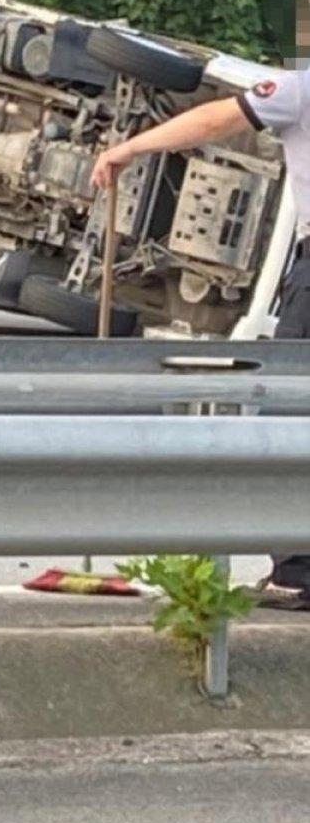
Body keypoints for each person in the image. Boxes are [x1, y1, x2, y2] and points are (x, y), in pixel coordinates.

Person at [92, 67, 309, 608]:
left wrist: (131, 148)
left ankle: (298, 572)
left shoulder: (300, 88)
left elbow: (216, 121)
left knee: (289, 415)